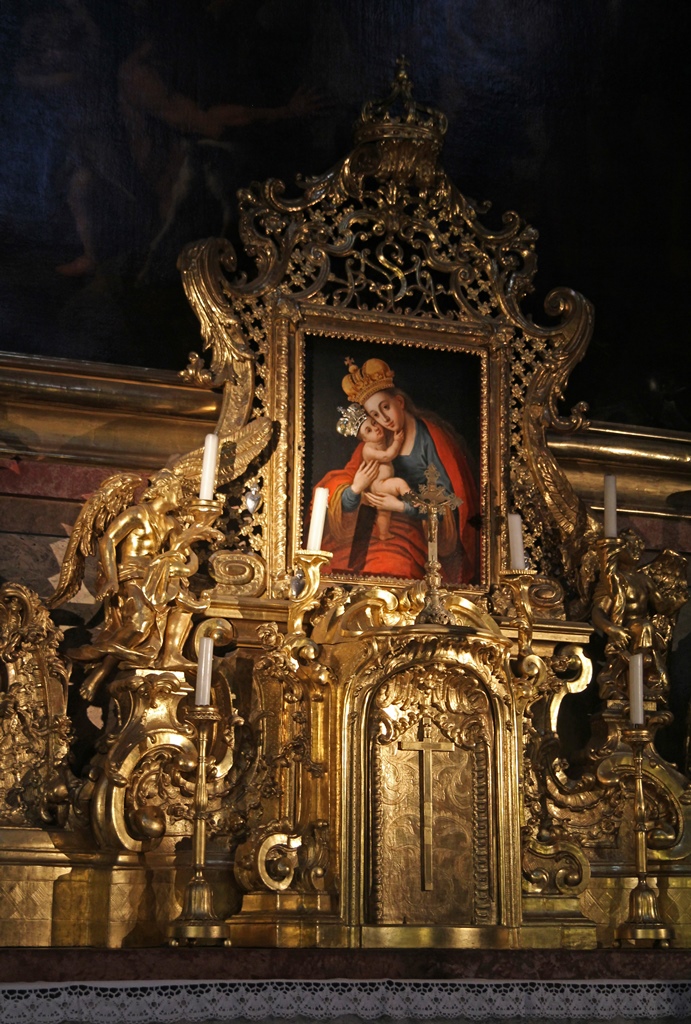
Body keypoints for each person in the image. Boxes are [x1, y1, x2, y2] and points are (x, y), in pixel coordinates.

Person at [313, 357, 480, 583]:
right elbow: (345, 483)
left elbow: (450, 506)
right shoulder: (377, 440)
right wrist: (354, 490)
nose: (383, 420)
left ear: (399, 402)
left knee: (398, 567)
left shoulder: (433, 441)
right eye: (374, 415)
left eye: (386, 407)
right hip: (375, 528)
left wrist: (402, 506)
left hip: (421, 532)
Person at [335, 402, 410, 542]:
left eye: (374, 423)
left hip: (382, 485)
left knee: (384, 513)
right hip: (379, 485)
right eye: (369, 430)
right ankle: (413, 501)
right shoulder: (368, 449)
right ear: (364, 439)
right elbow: (387, 456)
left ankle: (383, 534)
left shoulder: (380, 441)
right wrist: (397, 442)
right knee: (400, 484)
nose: (375, 429)